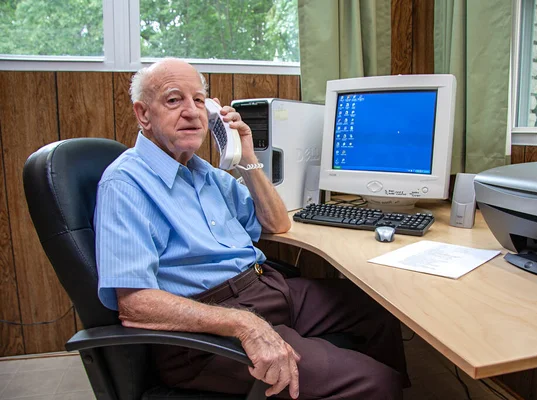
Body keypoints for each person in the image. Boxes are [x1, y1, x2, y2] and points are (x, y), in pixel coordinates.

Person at [94, 58, 409, 399]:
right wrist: (241, 323)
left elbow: (276, 222)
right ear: (144, 114)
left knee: (380, 310)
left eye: (199, 100)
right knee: (375, 383)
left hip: (263, 286)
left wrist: (244, 154)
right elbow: (135, 304)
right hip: (208, 328)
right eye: (174, 100)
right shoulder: (125, 184)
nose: (192, 111)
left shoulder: (209, 175)